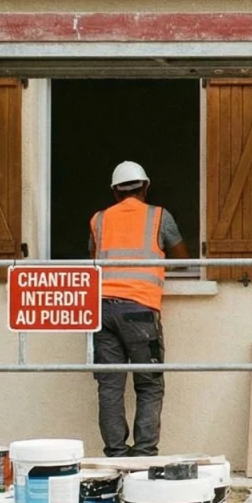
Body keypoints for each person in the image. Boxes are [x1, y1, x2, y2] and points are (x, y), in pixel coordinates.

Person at [89, 161, 188, 457]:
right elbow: (183, 260)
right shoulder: (158, 216)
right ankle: (143, 454)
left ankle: (116, 454)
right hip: (140, 311)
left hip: (102, 312)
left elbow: (92, 260)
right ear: (145, 187)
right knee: (149, 384)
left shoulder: (99, 220)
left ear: (115, 192)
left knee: (110, 387)